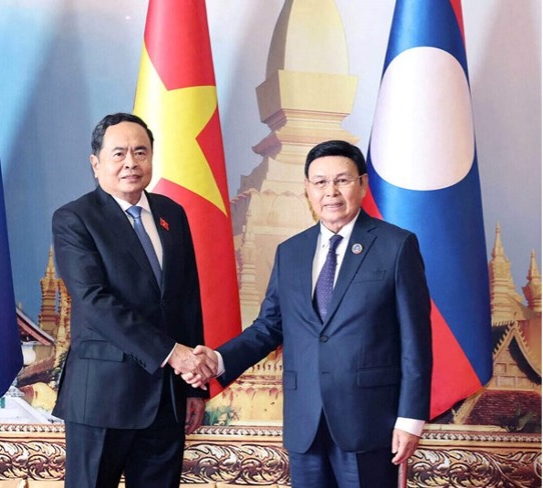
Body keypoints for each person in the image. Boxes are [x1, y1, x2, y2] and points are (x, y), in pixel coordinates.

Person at [186, 140, 433, 487]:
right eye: (319, 182)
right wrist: (218, 359)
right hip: (305, 423)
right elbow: (268, 328)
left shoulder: (396, 246)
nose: (330, 192)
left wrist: (410, 419)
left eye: (342, 180)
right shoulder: (291, 252)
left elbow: (416, 342)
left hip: (370, 422)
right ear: (307, 190)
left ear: (362, 185)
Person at [51, 112, 217, 488]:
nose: (131, 162)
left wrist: (193, 387)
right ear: (96, 164)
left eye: (141, 152)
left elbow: (186, 300)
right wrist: (172, 353)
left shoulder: (171, 213)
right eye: (119, 153)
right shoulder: (75, 218)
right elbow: (94, 301)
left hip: (166, 401)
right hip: (103, 398)